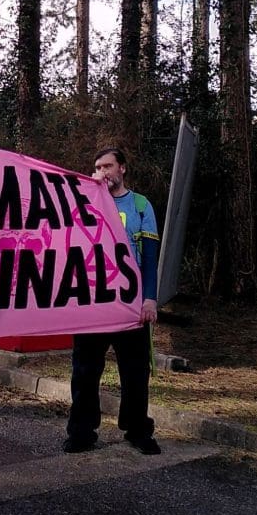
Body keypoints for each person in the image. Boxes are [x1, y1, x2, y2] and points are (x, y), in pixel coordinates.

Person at [63, 146, 161, 456]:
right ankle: (81, 431)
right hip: (94, 301)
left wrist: (150, 299)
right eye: (98, 167)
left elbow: (150, 258)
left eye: (108, 166)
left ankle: (137, 429)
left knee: (135, 371)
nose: (104, 171)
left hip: (130, 304)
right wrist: (89, 195)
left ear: (122, 169)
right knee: (84, 370)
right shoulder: (85, 203)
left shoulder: (141, 206)